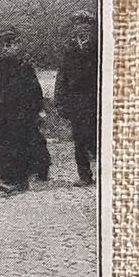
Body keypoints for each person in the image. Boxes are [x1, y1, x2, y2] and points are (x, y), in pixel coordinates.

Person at [0, 28, 50, 195]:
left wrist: (39, 109)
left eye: (11, 45)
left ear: (17, 46)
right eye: (5, 45)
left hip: (23, 112)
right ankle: (12, 178)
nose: (8, 48)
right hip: (4, 111)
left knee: (20, 145)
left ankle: (20, 180)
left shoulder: (24, 65)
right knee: (6, 145)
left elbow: (35, 89)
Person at [55, 11, 99, 186]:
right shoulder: (69, 50)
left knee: (95, 139)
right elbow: (61, 77)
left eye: (86, 24)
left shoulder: (98, 47)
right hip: (76, 102)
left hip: (94, 100)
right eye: (78, 24)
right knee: (79, 140)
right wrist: (60, 101)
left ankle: (105, 173)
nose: (82, 28)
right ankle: (84, 175)